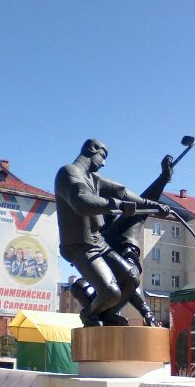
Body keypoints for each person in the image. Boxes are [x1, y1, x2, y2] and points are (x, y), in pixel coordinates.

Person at [55, 138, 170, 326]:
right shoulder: (68, 173)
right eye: (103, 156)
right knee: (110, 292)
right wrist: (117, 205)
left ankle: (107, 315)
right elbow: (81, 202)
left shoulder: (94, 179)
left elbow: (123, 192)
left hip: (97, 242)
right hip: (78, 246)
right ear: (92, 149)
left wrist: (154, 205)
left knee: (131, 277)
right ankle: (89, 315)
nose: (104, 163)